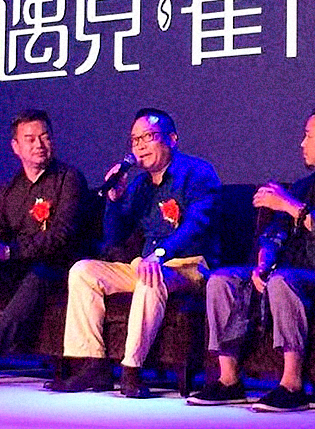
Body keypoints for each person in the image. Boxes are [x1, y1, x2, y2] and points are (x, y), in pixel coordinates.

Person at [189, 103, 315, 412]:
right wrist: (263, 263)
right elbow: (273, 234)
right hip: (291, 273)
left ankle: (291, 385)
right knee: (222, 279)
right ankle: (228, 380)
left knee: (284, 280)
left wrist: (289, 205)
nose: (302, 143)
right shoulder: (304, 186)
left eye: (309, 136)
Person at [50, 108, 221, 398]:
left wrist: (161, 254)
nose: (140, 146)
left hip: (190, 266)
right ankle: (92, 364)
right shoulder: (140, 185)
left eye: (149, 137)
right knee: (83, 271)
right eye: (135, 140)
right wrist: (114, 200)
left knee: (150, 275)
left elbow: (197, 224)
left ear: (172, 139)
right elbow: (114, 238)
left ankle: (131, 370)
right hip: (146, 264)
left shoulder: (197, 172)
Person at [0, 109, 88, 387]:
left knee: (41, 274)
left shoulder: (69, 179)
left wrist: (10, 251)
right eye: (30, 139)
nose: (39, 145)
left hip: (55, 265)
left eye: (45, 137)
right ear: (16, 147)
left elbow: (62, 237)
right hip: (16, 264)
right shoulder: (9, 188)